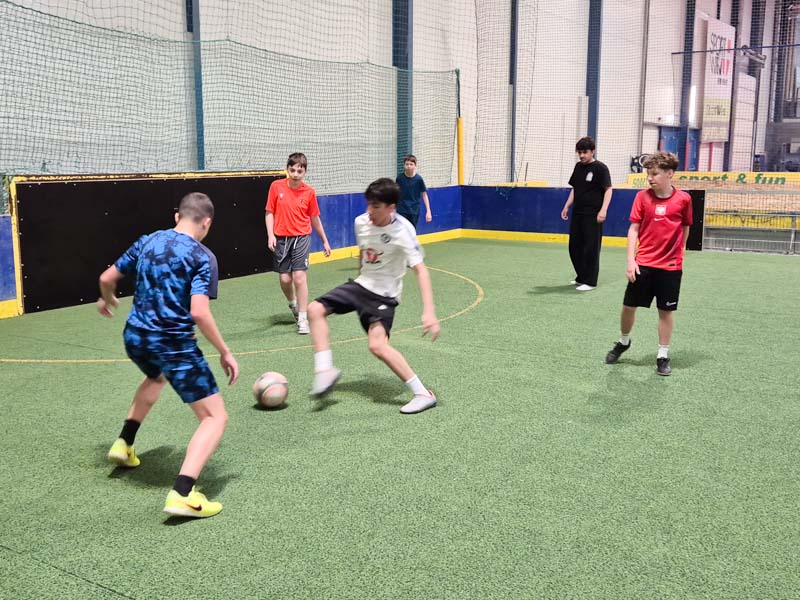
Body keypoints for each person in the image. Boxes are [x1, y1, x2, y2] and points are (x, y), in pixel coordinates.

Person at [98, 192, 239, 518]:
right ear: (206, 223)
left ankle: (124, 443)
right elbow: (199, 312)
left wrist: (108, 298)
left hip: (136, 337)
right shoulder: (201, 257)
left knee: (155, 375)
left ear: (177, 216)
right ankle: (183, 494)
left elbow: (106, 278)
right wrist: (225, 352)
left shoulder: (147, 241)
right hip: (173, 344)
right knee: (215, 417)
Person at [307, 178, 440, 414]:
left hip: (384, 296)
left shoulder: (403, 231)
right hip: (361, 285)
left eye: (376, 206)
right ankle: (325, 370)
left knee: (377, 346)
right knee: (314, 309)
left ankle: (423, 394)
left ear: (391, 208)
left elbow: (421, 270)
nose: (370, 211)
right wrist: (358, 280)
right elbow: (363, 252)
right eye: (368, 204)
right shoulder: (361, 222)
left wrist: (429, 312)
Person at [604, 151, 693, 376]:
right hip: (643, 263)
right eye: (648, 174)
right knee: (628, 306)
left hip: (670, 268)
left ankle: (662, 355)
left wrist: (678, 252)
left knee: (665, 311)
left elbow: (685, 227)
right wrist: (630, 260)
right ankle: (624, 341)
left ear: (669, 173)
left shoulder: (684, 199)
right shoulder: (641, 198)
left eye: (655, 174)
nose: (650, 178)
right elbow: (633, 229)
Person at [265, 152, 332, 334]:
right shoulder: (276, 187)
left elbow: (315, 218)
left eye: (299, 171)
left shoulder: (309, 192)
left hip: (301, 237)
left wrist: (325, 241)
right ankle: (293, 304)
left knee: (299, 277)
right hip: (282, 238)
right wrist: (271, 235)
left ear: (305, 172)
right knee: (285, 279)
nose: (295, 174)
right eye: (292, 170)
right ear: (287, 169)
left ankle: (303, 318)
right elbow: (269, 212)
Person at [561, 136, 613, 291]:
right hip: (578, 212)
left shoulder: (601, 168)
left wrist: (603, 210)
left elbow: (608, 189)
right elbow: (575, 189)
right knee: (575, 246)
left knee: (591, 247)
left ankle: (590, 281)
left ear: (592, 151)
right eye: (579, 152)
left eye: (585, 152)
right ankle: (581, 277)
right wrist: (567, 206)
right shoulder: (578, 167)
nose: (582, 155)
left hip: (593, 214)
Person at [395, 154, 432, 229]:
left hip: (414, 210)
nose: (409, 166)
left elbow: (424, 195)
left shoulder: (418, 179)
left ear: (415, 166)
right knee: (402, 230)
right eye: (407, 164)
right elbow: (396, 194)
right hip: (402, 210)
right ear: (404, 165)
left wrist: (428, 211)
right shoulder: (399, 178)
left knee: (412, 230)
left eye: (411, 164)